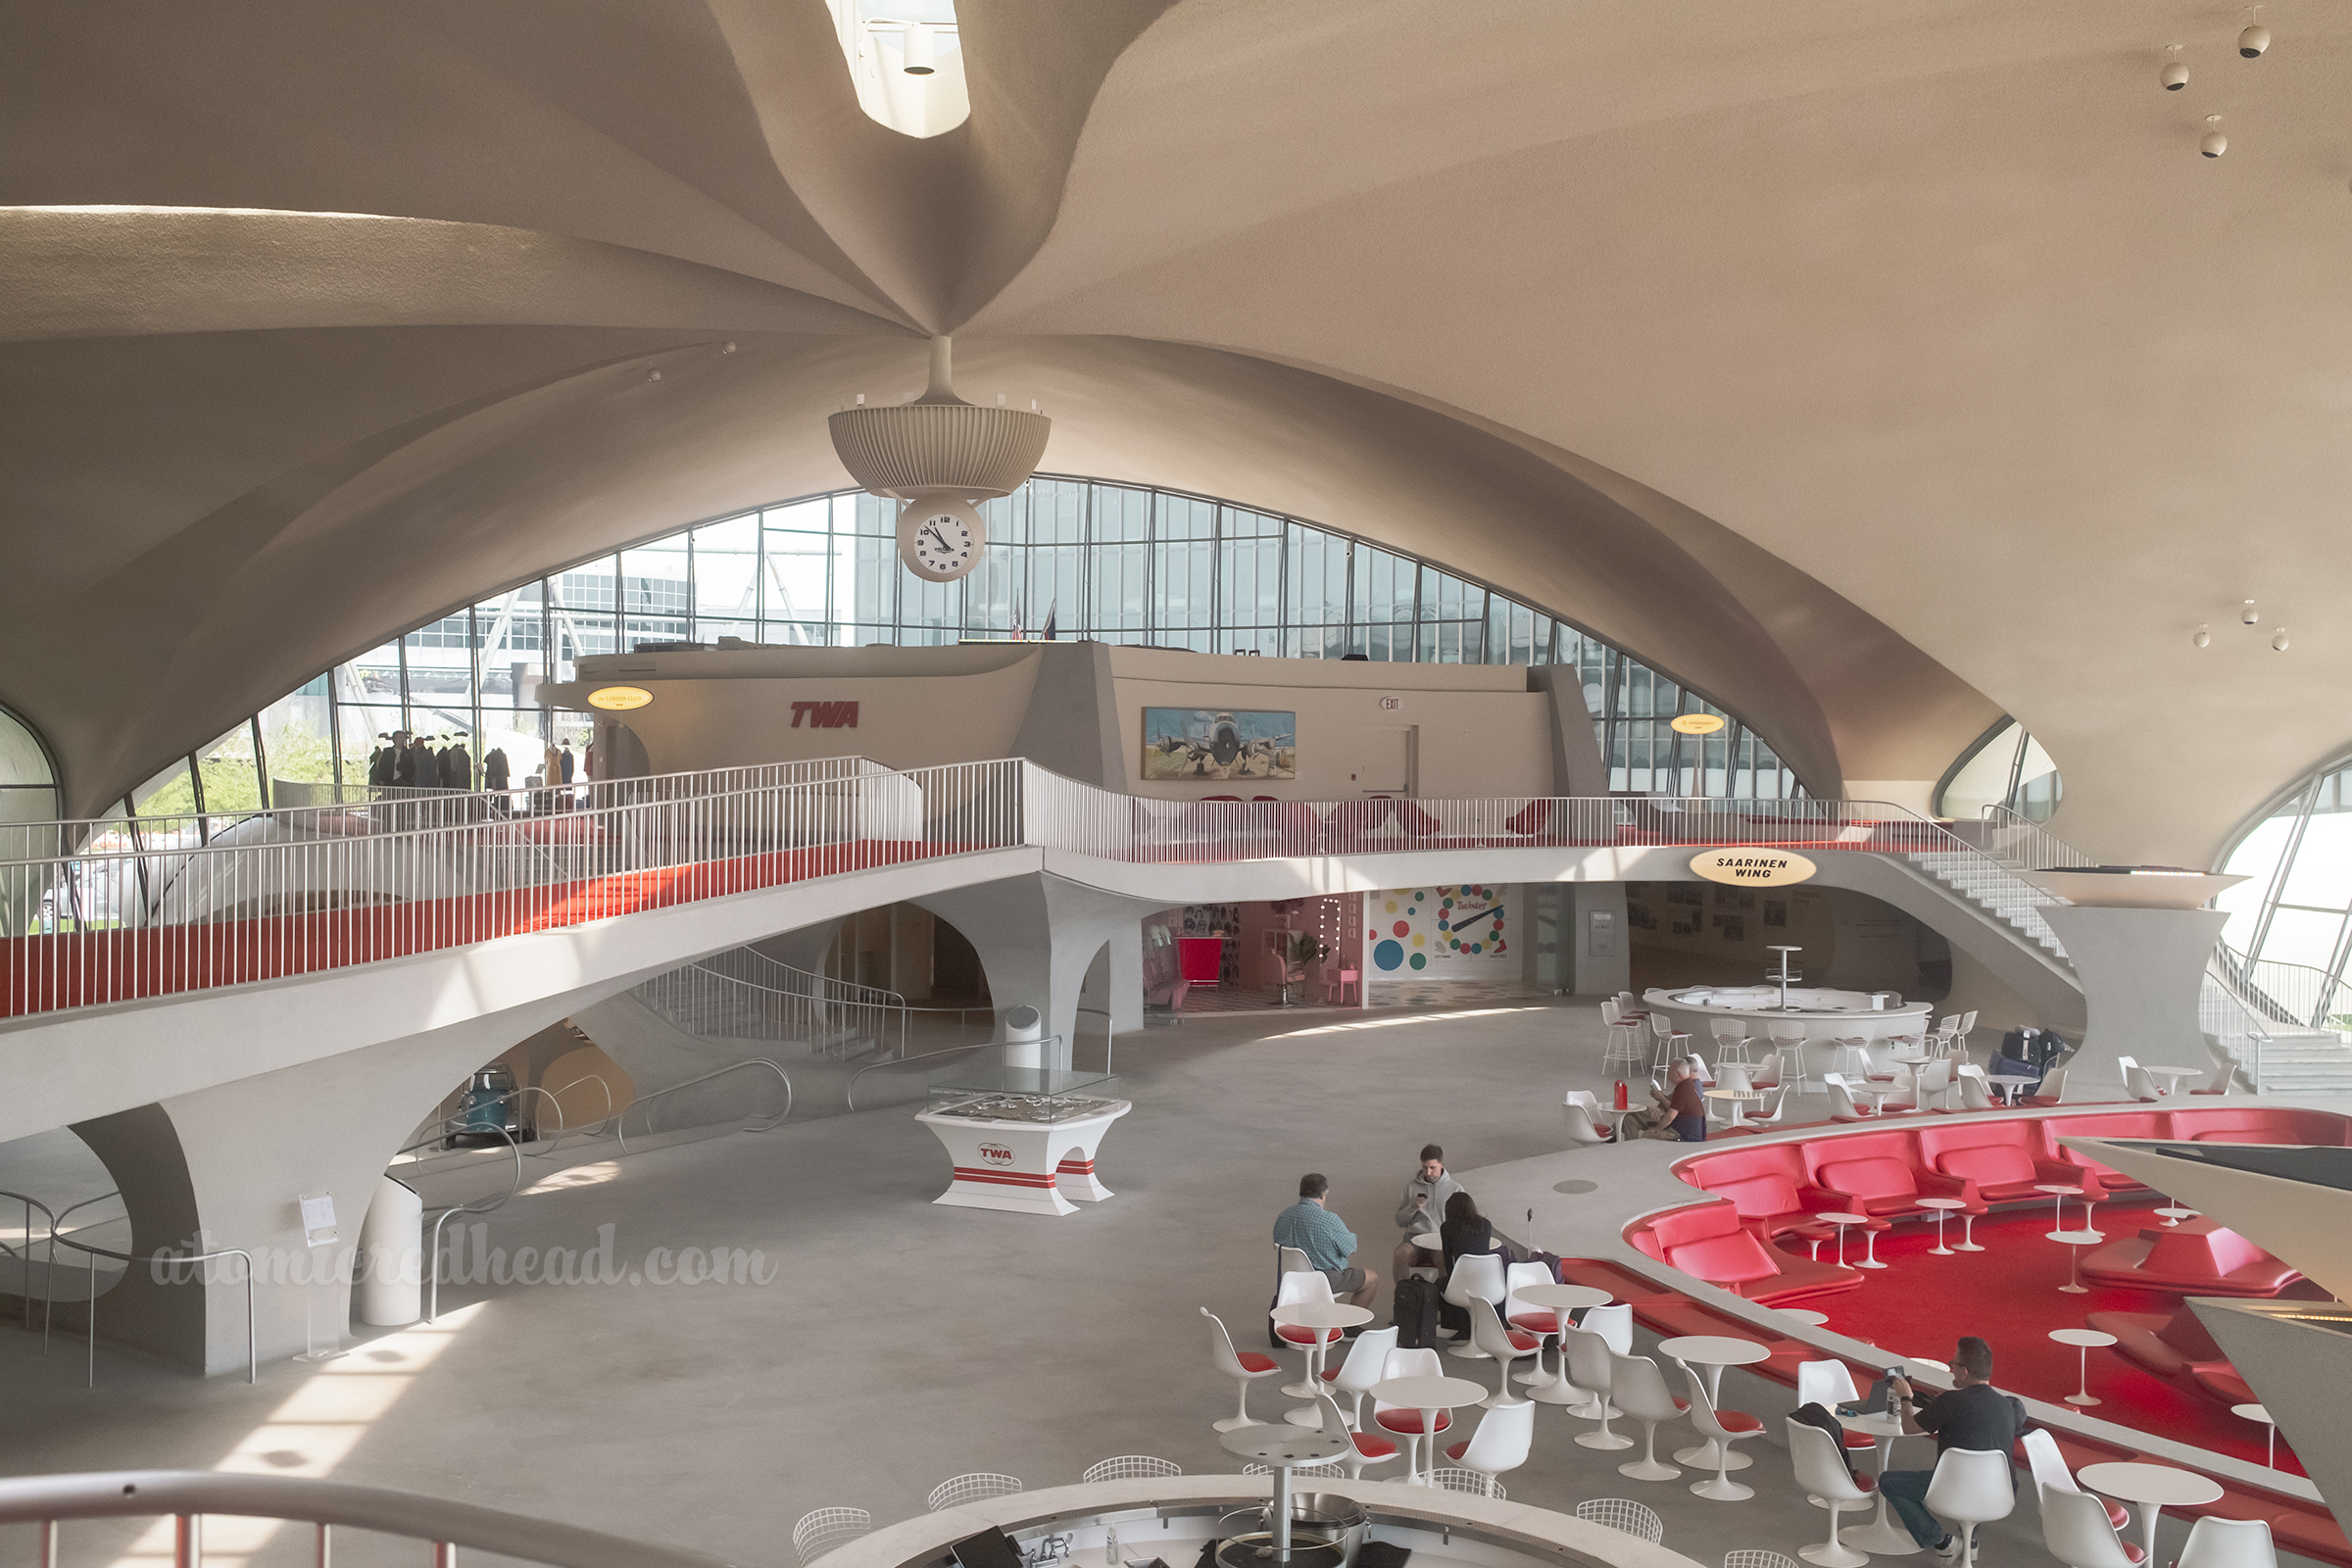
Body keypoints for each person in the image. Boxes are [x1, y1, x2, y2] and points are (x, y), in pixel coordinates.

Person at [1881, 1337, 2026, 1555]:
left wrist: (1906, 1397)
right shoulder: (2006, 1405)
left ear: (1964, 1372)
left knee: (1888, 1483)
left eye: (1953, 1364)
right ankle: (1971, 1543)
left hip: (1954, 1490)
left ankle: (1941, 1543)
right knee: (1980, 1470)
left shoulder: (1951, 1401)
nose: (1951, 1369)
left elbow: (1909, 1427)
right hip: (2002, 1494)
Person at [1272, 1173, 1378, 1310]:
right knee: (1372, 1279)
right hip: (1325, 1280)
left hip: (1291, 1281)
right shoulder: (1329, 1220)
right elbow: (1351, 1248)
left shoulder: (1283, 1217)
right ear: (1323, 1194)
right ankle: (1351, 1321)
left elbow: (1277, 1245)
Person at [1392, 1144, 1463, 1282]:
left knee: (1446, 1259)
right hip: (1414, 1240)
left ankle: (1443, 1293)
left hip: (1440, 1241)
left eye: (1432, 1168)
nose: (1428, 1172)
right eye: (1424, 1167)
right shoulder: (1411, 1187)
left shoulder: (1455, 1189)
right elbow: (1400, 1221)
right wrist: (1412, 1207)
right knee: (1400, 1254)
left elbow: (1461, 1223)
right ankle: (1403, 1292)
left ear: (1442, 1165)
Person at [1648, 1059, 1706, 1142]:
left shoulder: (1684, 1089)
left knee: (1648, 1135)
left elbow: (1670, 1116)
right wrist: (1662, 1097)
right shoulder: (1687, 1085)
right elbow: (1676, 1106)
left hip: (1686, 1133)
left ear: (1677, 1074)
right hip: (1685, 1127)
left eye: (1670, 1071)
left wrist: (1656, 1129)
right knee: (1633, 1120)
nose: (1668, 1073)